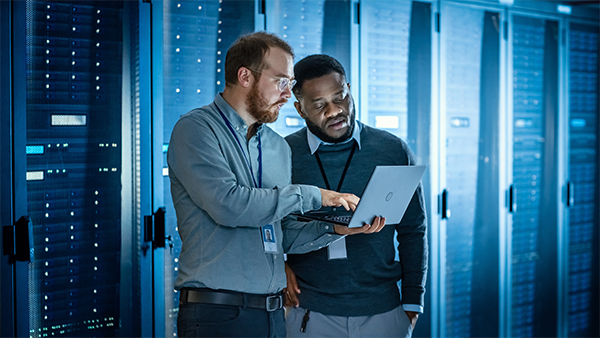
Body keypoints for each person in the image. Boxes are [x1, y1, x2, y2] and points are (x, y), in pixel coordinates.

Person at [167, 33, 385, 338]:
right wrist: (315, 196)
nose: (287, 95)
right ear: (245, 76)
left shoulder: (276, 147)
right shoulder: (196, 130)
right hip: (217, 313)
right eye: (281, 81)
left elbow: (281, 233)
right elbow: (229, 206)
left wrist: (335, 229)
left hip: (272, 314)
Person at [284, 54, 428, 338]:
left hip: (383, 313)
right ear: (300, 109)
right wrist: (280, 266)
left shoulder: (392, 150)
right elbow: (268, 225)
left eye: (340, 97)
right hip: (309, 314)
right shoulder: (284, 155)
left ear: (349, 89)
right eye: (319, 105)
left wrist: (412, 303)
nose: (335, 110)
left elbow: (414, 230)